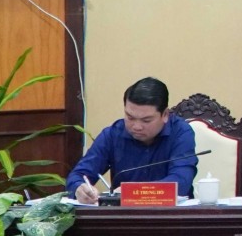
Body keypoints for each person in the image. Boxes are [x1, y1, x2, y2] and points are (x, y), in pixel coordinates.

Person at [66, 78, 198, 204]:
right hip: (124, 216)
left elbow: (181, 183)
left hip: (171, 216)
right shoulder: (112, 134)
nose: (137, 127)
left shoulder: (181, 133)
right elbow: (77, 176)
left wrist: (133, 192)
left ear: (165, 115)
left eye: (146, 120)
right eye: (130, 117)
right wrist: (79, 188)